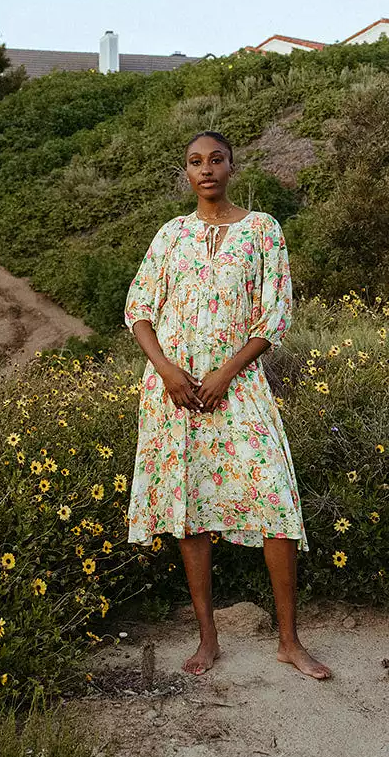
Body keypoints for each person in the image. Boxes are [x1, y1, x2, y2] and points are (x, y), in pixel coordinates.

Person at [125, 130, 330, 679]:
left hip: (236, 384)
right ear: (186, 172)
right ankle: (207, 638)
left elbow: (274, 317)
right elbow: (139, 309)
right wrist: (167, 371)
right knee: (188, 507)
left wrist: (224, 372)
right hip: (173, 390)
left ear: (232, 167)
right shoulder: (170, 235)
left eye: (216, 160)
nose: (206, 169)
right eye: (195, 162)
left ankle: (289, 641)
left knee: (277, 501)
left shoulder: (263, 230)